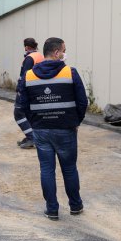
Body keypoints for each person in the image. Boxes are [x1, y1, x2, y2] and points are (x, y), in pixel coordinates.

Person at [16, 37, 88, 220]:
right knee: (69, 169)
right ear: (56, 53)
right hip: (65, 129)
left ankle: (52, 209)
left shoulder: (29, 75)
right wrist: (75, 121)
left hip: (41, 130)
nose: (65, 54)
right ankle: (75, 206)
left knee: (47, 170)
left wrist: (35, 123)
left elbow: (24, 104)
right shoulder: (70, 72)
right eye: (64, 50)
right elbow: (82, 101)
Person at [15, 37, 45, 149]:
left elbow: (25, 76)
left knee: (18, 113)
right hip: (38, 89)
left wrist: (19, 89)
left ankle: (31, 137)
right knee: (30, 114)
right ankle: (31, 136)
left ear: (26, 47)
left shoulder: (29, 58)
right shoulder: (40, 56)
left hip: (28, 90)